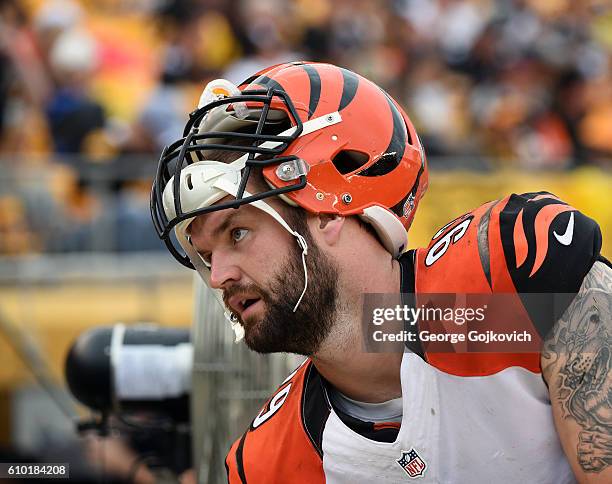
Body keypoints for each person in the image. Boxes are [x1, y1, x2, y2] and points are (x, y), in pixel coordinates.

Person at [150, 62, 611, 483]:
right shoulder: (266, 463)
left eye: (237, 233)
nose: (218, 276)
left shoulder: (505, 275)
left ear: (328, 211)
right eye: (206, 255)